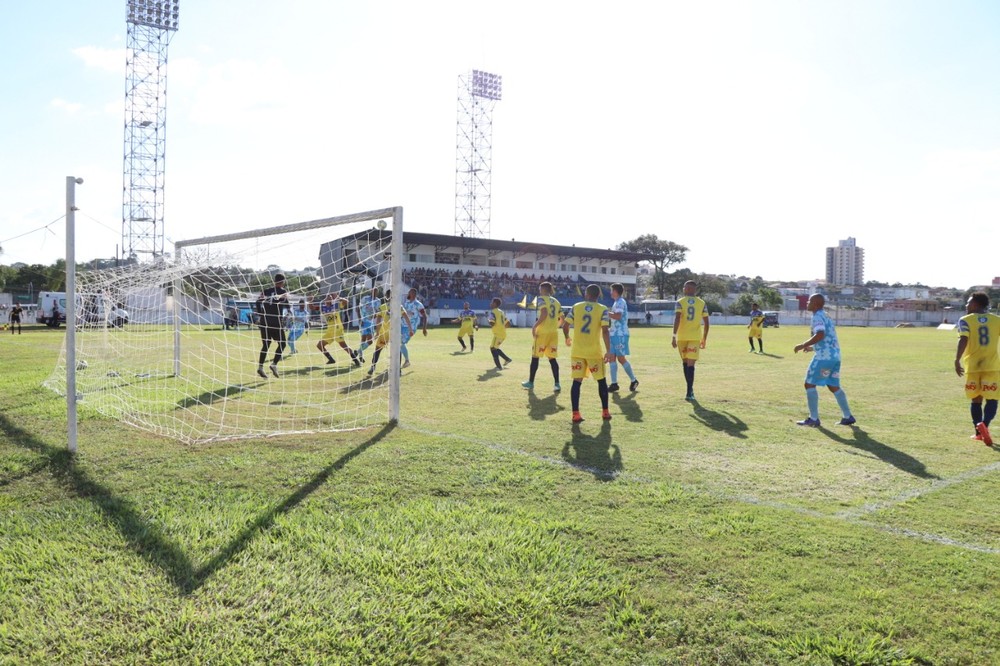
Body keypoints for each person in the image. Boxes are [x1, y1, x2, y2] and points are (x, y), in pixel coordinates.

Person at [793, 293, 856, 427]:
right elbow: (828, 338)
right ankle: (848, 416)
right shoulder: (826, 315)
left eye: (809, 301)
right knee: (833, 385)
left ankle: (813, 419)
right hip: (835, 356)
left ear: (815, 304)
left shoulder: (817, 316)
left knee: (809, 384)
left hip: (824, 358)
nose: (807, 303)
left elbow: (820, 334)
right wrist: (813, 348)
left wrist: (803, 345)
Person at [562, 284, 614, 423]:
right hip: (594, 352)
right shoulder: (603, 309)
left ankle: (575, 414)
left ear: (586, 294)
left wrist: (567, 337)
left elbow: (565, 325)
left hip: (577, 351)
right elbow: (605, 330)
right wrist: (609, 351)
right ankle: (605, 412)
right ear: (598, 295)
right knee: (601, 381)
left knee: (576, 382)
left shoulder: (576, 306)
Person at [955, 291, 1000, 446]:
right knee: (992, 398)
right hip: (992, 366)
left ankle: (978, 433)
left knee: (976, 399)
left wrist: (957, 360)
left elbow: (963, 339)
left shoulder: (965, 320)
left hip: (973, 366)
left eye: (968, 302)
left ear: (975, 303)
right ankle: (985, 425)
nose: (966, 305)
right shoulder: (997, 320)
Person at [672, 280, 709, 401]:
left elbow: (677, 319)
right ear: (695, 289)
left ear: (685, 289)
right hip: (695, 337)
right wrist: (704, 338)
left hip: (682, 337)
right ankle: (689, 391)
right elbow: (707, 323)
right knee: (689, 365)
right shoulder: (702, 303)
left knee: (686, 364)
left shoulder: (680, 302)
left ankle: (689, 390)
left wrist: (673, 336)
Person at [522, 281, 562, 392]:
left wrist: (534, 326)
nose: (539, 291)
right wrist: (555, 326)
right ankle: (557, 384)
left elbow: (544, 313)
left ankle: (531, 382)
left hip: (542, 333)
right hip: (553, 333)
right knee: (552, 359)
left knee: (535, 357)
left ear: (543, 289)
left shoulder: (541, 299)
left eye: (540, 289)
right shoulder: (556, 301)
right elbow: (562, 318)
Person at [367, 289, 411, 376]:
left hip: (384, 332)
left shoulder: (382, 307)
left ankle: (373, 367)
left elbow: (378, 321)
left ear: (386, 297)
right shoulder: (399, 306)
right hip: (395, 332)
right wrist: (410, 329)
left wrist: (377, 332)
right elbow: (406, 317)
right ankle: (398, 370)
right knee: (397, 350)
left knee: (378, 350)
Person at [255, 273, 289, 378]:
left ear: (274, 281)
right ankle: (274, 364)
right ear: (283, 282)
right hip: (275, 322)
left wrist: (261, 313)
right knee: (282, 344)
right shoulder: (283, 292)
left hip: (264, 321)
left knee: (266, 345)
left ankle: (260, 367)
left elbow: (257, 302)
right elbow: (287, 306)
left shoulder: (266, 291)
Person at [607, 282, 638, 392]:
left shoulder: (620, 302)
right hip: (614, 333)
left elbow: (618, 316)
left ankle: (634, 380)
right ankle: (614, 383)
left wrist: (606, 313)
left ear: (615, 291)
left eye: (612, 290)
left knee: (620, 358)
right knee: (611, 357)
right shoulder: (616, 302)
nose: (611, 292)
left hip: (620, 334)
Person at [317, 294, 360, 366]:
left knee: (343, 345)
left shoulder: (336, 306)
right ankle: (331, 359)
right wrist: (310, 300)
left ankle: (356, 360)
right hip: (330, 330)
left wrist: (339, 298)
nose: (330, 299)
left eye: (331, 298)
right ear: (325, 300)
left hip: (337, 329)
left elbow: (346, 301)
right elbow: (313, 307)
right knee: (319, 345)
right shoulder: (323, 308)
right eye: (328, 298)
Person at [402, 288, 428, 369]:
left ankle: (407, 361)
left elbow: (424, 316)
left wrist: (424, 328)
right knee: (396, 342)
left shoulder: (418, 304)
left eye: (410, 292)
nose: (408, 294)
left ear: (413, 294)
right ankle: (397, 359)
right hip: (401, 325)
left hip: (411, 327)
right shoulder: (406, 303)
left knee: (400, 342)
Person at [355, 286, 381, 363]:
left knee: (369, 341)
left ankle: (358, 352)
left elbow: (377, 311)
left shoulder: (378, 301)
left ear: (377, 293)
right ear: (371, 291)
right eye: (373, 291)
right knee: (365, 340)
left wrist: (376, 314)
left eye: (376, 291)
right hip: (364, 321)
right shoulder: (365, 298)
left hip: (371, 322)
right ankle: (360, 356)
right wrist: (360, 319)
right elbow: (357, 308)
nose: (374, 292)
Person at [487, 297, 513, 370]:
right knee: (495, 348)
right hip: (503, 333)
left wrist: (489, 320)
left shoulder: (493, 312)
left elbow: (492, 323)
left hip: (498, 334)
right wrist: (502, 327)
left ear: (495, 304)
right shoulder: (501, 312)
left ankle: (499, 367)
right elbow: (508, 324)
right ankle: (507, 359)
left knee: (492, 348)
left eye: (492, 302)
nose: (491, 303)